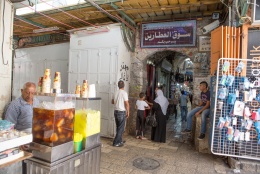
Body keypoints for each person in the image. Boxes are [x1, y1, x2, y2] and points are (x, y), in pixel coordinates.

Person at [111, 80, 130, 147]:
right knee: (121, 128)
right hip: (121, 112)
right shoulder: (124, 93)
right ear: (124, 85)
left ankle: (120, 140)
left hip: (116, 111)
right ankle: (116, 142)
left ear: (118, 86)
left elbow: (112, 102)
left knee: (118, 127)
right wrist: (128, 111)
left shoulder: (115, 92)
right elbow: (127, 103)